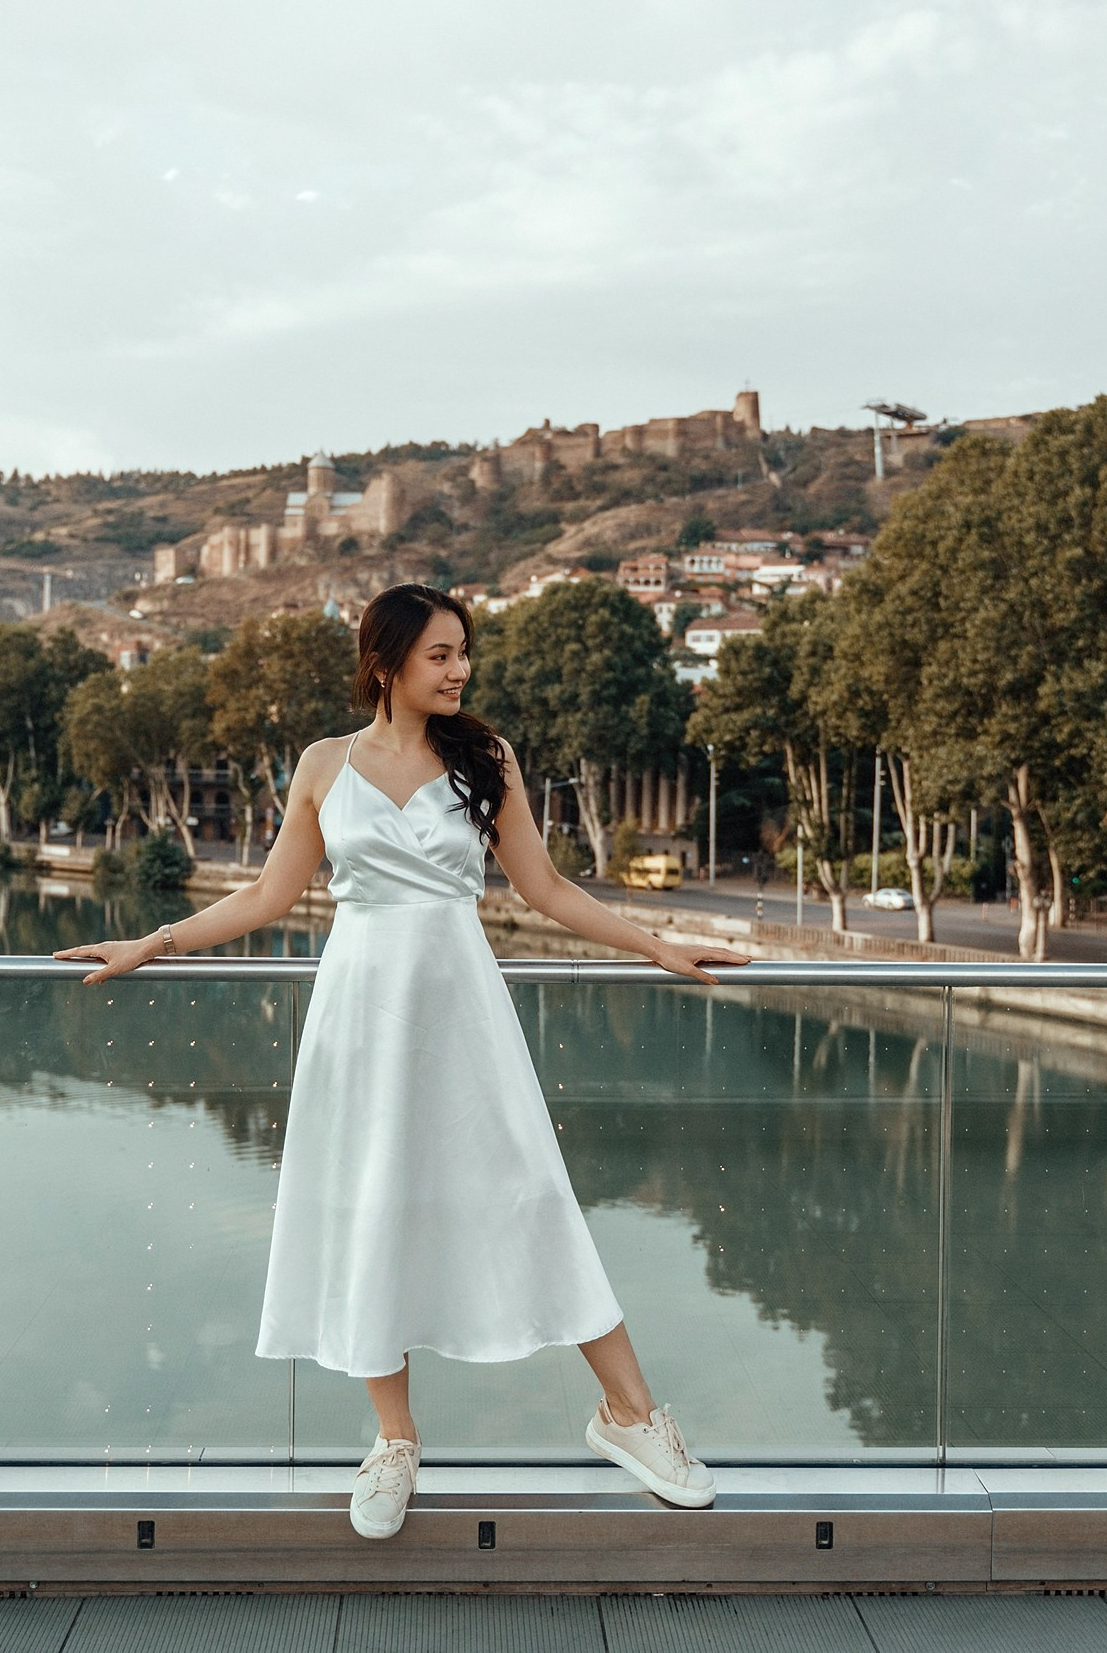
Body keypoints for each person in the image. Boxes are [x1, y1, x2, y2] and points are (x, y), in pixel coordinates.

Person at [57, 582, 747, 1541]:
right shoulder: (321, 764)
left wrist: (661, 944)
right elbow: (266, 897)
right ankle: (394, 1440)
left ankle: (630, 1416)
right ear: (386, 663)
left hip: (463, 1003)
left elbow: (544, 888)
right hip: (360, 1008)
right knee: (370, 1200)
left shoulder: (487, 757)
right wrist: (152, 942)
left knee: (530, 1191)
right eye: (441, 654)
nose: (461, 669)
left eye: (465, 652)